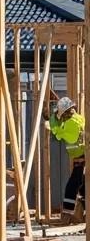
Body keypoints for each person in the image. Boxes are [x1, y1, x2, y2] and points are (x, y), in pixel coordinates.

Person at [46, 93, 85, 224]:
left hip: (83, 159)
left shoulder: (71, 123)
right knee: (83, 188)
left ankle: (66, 216)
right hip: (82, 158)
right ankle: (84, 215)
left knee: (72, 186)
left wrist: (55, 125)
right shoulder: (78, 118)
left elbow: (62, 136)